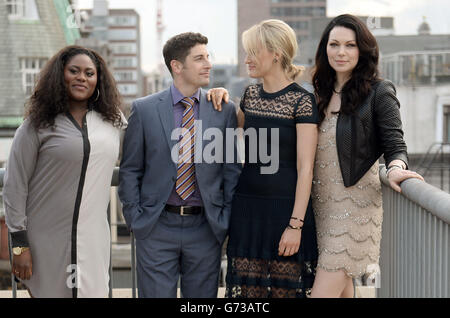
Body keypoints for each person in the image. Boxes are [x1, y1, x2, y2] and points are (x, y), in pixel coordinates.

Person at [308, 14, 424, 298]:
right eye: (334, 44)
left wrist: (396, 167)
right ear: (325, 49)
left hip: (355, 208)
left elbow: (396, 145)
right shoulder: (318, 93)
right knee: (344, 291)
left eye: (350, 45)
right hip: (321, 208)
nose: (341, 52)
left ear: (363, 50)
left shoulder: (378, 92)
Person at [118, 32, 242, 298]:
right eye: (199, 58)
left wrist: (225, 219)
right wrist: (135, 218)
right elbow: (130, 170)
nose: (208, 64)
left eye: (208, 57)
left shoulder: (223, 110)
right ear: (177, 66)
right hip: (156, 227)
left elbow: (231, 170)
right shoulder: (144, 109)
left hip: (205, 228)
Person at [3, 45, 126, 298]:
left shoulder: (114, 121)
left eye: (89, 73)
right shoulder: (36, 125)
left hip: (93, 240)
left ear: (98, 80)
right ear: (61, 75)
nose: (82, 77)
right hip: (44, 240)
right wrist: (19, 246)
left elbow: (147, 147)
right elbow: (15, 185)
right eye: (74, 71)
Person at [210, 19, 319, 298]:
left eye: (253, 52)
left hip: (286, 211)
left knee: (286, 292)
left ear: (276, 53)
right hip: (247, 209)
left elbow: (305, 168)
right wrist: (218, 94)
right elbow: (231, 124)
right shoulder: (250, 95)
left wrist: (295, 225)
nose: (247, 59)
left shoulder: (301, 101)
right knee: (248, 294)